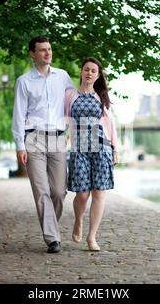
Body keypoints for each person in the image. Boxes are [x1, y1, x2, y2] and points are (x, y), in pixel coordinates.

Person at [12, 36, 74, 253]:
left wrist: (70, 128)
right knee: (42, 191)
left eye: (49, 49)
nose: (47, 53)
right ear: (32, 53)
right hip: (33, 139)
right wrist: (20, 145)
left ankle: (51, 226)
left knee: (59, 191)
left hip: (58, 138)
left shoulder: (63, 77)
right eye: (42, 50)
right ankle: (52, 238)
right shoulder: (24, 81)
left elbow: (71, 104)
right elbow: (18, 115)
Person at [65, 57, 118, 251]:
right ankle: (78, 220)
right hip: (79, 149)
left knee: (99, 193)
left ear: (98, 75)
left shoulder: (102, 96)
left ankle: (92, 236)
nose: (89, 73)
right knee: (82, 194)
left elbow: (111, 125)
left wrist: (115, 149)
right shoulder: (70, 95)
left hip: (101, 148)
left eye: (93, 71)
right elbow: (64, 120)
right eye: (86, 69)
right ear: (81, 71)